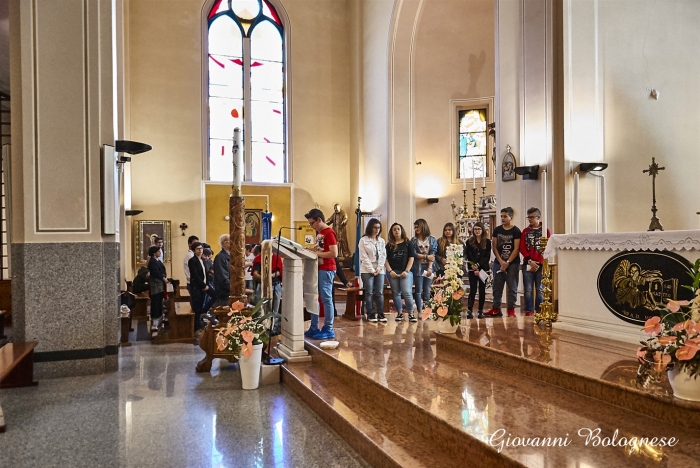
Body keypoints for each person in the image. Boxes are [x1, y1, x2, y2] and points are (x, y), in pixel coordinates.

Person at [305, 208, 338, 340]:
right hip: (318, 267)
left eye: (312, 223)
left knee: (326, 299)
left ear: (319, 220)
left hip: (327, 268)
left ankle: (328, 328)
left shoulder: (329, 232)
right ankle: (314, 327)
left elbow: (334, 253)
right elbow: (320, 249)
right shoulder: (320, 233)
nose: (311, 226)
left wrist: (315, 253)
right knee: (314, 297)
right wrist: (310, 250)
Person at [485, 207, 521, 318]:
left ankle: (511, 309)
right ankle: (496, 309)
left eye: (505, 216)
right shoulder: (497, 230)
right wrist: (501, 261)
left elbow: (516, 248)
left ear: (511, 217)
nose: (502, 218)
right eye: (501, 216)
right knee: (497, 286)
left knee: (512, 287)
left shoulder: (516, 231)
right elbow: (494, 246)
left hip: (513, 263)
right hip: (498, 262)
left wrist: (508, 262)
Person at [520, 207, 551, 317]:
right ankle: (529, 309)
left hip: (540, 264)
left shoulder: (545, 231)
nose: (530, 219)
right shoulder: (525, 231)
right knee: (528, 288)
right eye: (528, 217)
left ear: (538, 217)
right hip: (528, 263)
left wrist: (537, 262)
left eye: (532, 217)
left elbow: (547, 247)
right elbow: (522, 247)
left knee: (540, 288)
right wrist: (530, 261)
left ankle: (539, 309)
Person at [385, 223, 416, 322]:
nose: (396, 231)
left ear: (401, 230)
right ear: (392, 232)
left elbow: (411, 257)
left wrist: (406, 271)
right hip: (393, 272)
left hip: (406, 272)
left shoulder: (408, 243)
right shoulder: (389, 245)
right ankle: (399, 313)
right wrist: (390, 271)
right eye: (394, 229)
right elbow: (385, 259)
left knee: (407, 292)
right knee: (396, 293)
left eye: (398, 229)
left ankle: (411, 313)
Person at [358, 218, 387, 323]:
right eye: (374, 227)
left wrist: (378, 268)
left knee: (379, 292)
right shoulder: (363, 240)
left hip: (379, 269)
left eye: (378, 227)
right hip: (366, 269)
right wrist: (371, 270)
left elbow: (383, 256)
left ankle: (380, 313)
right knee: (369, 292)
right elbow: (363, 257)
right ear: (370, 227)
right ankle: (370, 313)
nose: (377, 230)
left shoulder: (382, 241)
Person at [411, 218, 437, 315]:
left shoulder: (432, 239)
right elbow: (413, 253)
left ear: (423, 226)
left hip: (429, 267)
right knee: (418, 290)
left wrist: (430, 268)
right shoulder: (413, 240)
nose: (416, 229)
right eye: (415, 227)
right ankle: (419, 310)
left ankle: (427, 309)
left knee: (427, 289)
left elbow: (433, 254)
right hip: (418, 267)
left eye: (418, 227)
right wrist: (425, 256)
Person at [465, 222, 491, 319]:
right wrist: (474, 265)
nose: (477, 231)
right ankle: (469, 310)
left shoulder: (487, 242)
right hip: (472, 269)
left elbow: (486, 257)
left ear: (483, 230)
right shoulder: (469, 241)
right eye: (475, 229)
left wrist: (479, 265)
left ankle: (480, 310)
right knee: (473, 290)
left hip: (483, 269)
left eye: (479, 229)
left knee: (482, 290)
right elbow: (469, 255)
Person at [187, 242, 208, 334]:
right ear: (194, 250)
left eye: (201, 248)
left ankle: (199, 323)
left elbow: (204, 273)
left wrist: (206, 283)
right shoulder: (192, 261)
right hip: (196, 287)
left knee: (200, 306)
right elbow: (195, 275)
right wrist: (203, 285)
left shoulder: (202, 260)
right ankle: (195, 327)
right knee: (196, 307)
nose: (200, 250)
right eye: (198, 249)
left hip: (202, 287)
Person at [147, 246, 168, 332]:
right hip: (156, 284)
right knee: (155, 301)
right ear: (154, 253)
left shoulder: (157, 260)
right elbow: (156, 272)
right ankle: (155, 321)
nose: (160, 253)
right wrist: (163, 278)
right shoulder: (152, 262)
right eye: (158, 251)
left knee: (159, 300)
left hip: (159, 284)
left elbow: (161, 270)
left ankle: (159, 318)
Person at [213, 234, 231, 307]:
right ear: (224, 243)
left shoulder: (230, 255)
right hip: (224, 294)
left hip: (229, 293)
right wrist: (233, 288)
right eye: (230, 241)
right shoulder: (220, 257)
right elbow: (223, 277)